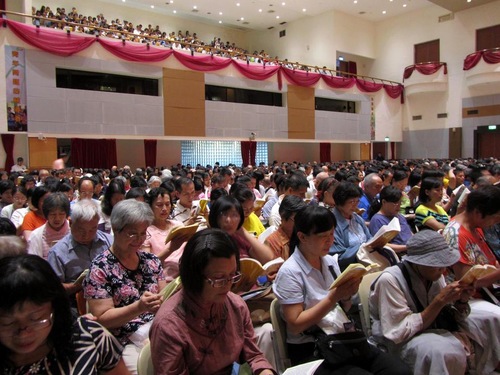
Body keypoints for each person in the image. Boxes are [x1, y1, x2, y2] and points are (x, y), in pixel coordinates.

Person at [273, 205, 409, 374]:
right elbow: (295, 325)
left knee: (400, 371)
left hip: (343, 339)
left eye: (332, 234)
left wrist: (346, 295)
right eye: (323, 236)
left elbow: (342, 308)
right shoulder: (290, 272)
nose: (330, 240)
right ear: (302, 237)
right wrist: (333, 297)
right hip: (313, 348)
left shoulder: (329, 261)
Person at [369, 230, 500, 375]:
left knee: (489, 321)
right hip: (400, 340)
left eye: (445, 265)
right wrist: (439, 301)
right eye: (437, 266)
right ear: (417, 263)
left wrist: (461, 300)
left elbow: (448, 314)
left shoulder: (434, 276)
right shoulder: (390, 280)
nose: (443, 270)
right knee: (441, 351)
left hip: (431, 326)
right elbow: (397, 332)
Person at [150, 228, 276, 375]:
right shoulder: (169, 325)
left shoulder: (235, 305)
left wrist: (264, 371)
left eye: (233, 276)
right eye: (219, 279)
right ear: (194, 276)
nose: (228, 285)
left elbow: (253, 355)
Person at [0, 255, 129, 374]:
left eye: (36, 319)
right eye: (7, 323)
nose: (23, 333)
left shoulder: (86, 335)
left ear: (55, 309)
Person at [83, 199, 166, 374]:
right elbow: (102, 319)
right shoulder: (100, 268)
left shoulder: (151, 261)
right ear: (115, 229)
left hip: (158, 331)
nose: (139, 240)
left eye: (143, 233)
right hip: (123, 340)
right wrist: (139, 307)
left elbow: (165, 300)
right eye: (132, 234)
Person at [48, 199, 113, 296]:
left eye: (92, 229)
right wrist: (78, 285)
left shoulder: (109, 241)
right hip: (75, 301)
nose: (86, 236)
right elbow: (52, 288)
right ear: (70, 223)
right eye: (81, 230)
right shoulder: (58, 252)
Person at [443, 185, 500, 287]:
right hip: (472, 297)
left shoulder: (475, 225)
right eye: (495, 218)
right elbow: (466, 282)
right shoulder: (456, 235)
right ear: (478, 212)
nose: (497, 222)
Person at [208, 196, 274, 265]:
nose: (228, 220)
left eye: (234, 215)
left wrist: (243, 232)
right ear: (215, 216)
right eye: (224, 214)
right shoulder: (208, 241)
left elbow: (268, 258)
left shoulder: (239, 238)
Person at [330, 181, 372, 270]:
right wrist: (362, 246)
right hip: (348, 268)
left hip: (367, 262)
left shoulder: (357, 218)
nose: (356, 205)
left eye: (357, 201)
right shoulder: (332, 222)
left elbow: (369, 238)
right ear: (340, 201)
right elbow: (339, 257)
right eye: (352, 202)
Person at [368, 186, 413, 253]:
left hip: (412, 249)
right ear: (384, 202)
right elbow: (382, 245)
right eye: (395, 203)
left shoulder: (399, 216)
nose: (398, 206)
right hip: (400, 254)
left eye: (400, 202)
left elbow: (409, 233)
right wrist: (406, 247)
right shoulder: (377, 220)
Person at [264, 195, 306, 260]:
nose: (300, 224)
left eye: (303, 220)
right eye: (296, 220)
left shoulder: (304, 237)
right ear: (283, 217)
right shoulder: (273, 242)